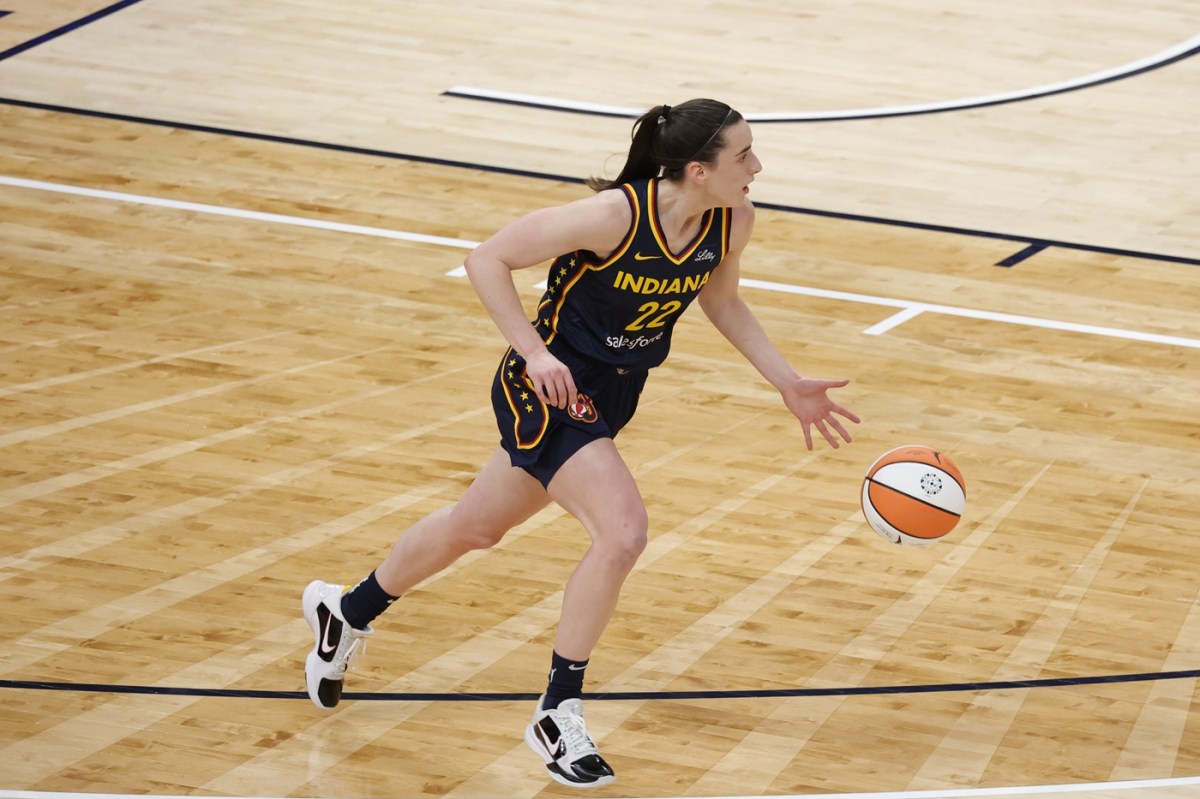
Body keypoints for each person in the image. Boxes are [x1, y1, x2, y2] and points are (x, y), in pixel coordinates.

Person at [302, 98, 860, 788]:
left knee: (475, 526)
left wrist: (787, 382)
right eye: (744, 155)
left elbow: (722, 302)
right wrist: (535, 353)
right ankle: (557, 709)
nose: (758, 166)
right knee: (623, 533)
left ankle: (347, 609)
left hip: (615, 392)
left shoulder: (731, 219)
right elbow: (486, 259)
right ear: (699, 169)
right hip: (551, 387)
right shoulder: (613, 217)